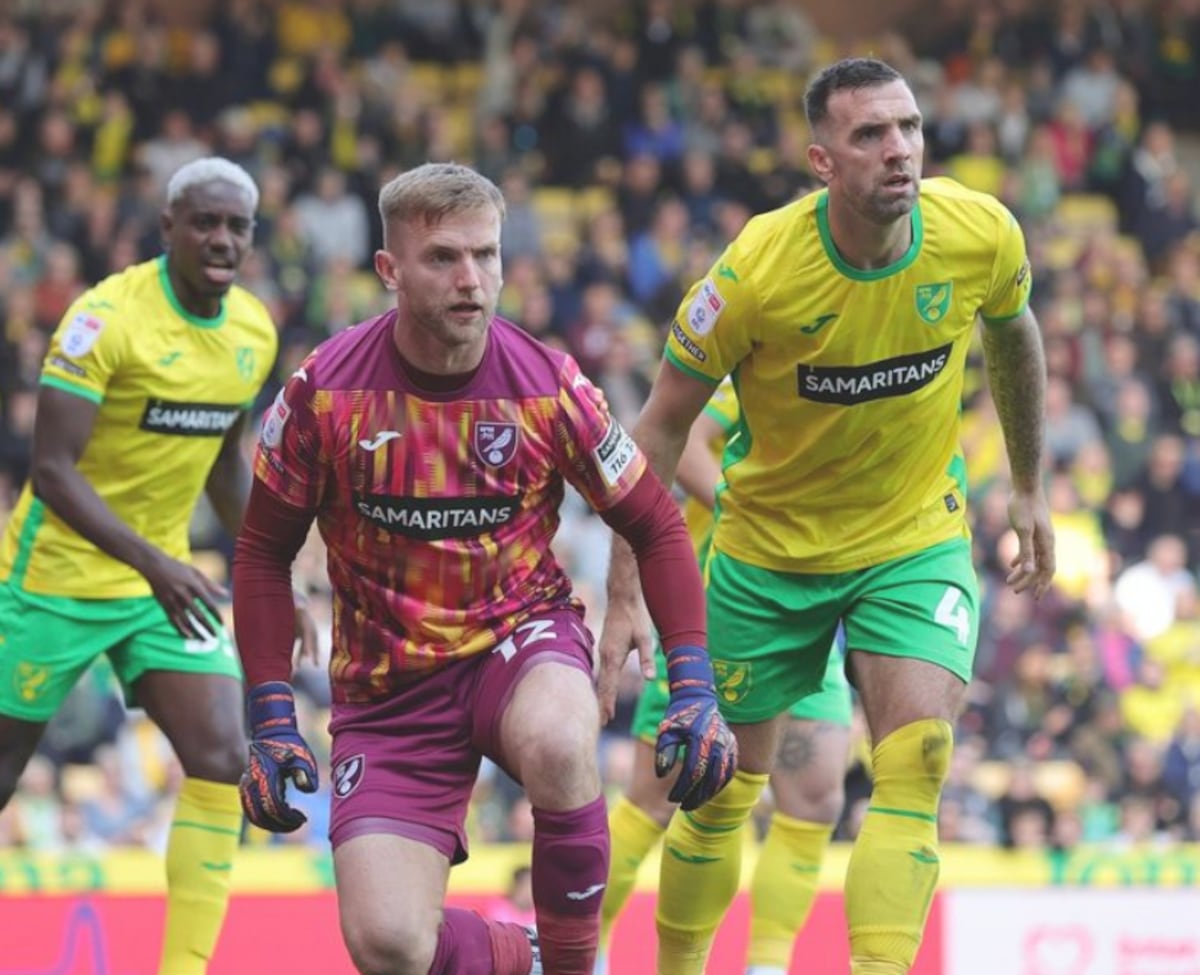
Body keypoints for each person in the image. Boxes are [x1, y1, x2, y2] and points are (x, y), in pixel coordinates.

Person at [597, 58, 1056, 975]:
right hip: (768, 556)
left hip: (912, 539)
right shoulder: (757, 272)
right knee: (714, 789)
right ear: (821, 160)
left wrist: (1029, 483)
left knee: (914, 764)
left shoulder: (979, 233)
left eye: (910, 128)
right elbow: (654, 430)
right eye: (870, 135)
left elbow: (1015, 331)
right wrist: (623, 592)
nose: (900, 151)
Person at [230, 161, 737, 975]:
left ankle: (576, 964)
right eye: (443, 258)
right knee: (389, 946)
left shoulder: (550, 387)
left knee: (562, 737)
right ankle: (530, 957)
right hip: (387, 684)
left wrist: (695, 681)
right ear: (389, 270)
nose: (472, 279)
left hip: (519, 638)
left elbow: (655, 520)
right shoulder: (321, 394)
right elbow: (260, 550)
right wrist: (270, 714)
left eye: (487, 255)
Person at [0, 156, 316, 975]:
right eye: (203, 222)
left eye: (235, 226)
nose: (220, 238)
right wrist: (155, 563)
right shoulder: (103, 321)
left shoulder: (252, 331)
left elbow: (224, 463)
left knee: (222, 755)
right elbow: (52, 473)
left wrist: (273, 571)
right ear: (168, 226)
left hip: (160, 583)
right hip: (52, 578)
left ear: (252, 236)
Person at [598, 380, 852, 975]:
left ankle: (766, 966)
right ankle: (576, 945)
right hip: (719, 608)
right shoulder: (759, 374)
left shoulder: (854, 381)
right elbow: (679, 445)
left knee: (816, 797)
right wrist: (755, 520)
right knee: (657, 800)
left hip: (810, 608)